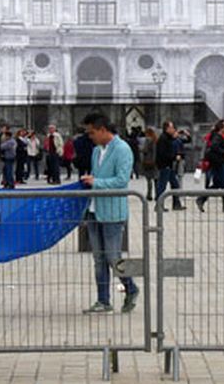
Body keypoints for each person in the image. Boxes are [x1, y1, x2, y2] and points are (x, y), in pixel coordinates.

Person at [80, 112, 139, 314]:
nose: (90, 137)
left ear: (103, 130)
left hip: (113, 212)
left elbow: (122, 180)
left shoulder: (122, 150)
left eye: (92, 132)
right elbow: (97, 176)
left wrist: (96, 182)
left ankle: (131, 287)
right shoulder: (97, 151)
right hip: (95, 210)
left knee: (113, 257)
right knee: (98, 258)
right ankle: (103, 300)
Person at [196, 121, 224, 213]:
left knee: (217, 185)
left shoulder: (219, 136)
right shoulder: (217, 137)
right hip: (219, 163)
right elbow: (214, 146)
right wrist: (223, 153)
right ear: (221, 128)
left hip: (219, 163)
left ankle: (201, 198)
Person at [154, 121, 184, 211]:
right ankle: (159, 205)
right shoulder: (163, 139)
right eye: (172, 128)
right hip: (165, 165)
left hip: (169, 165)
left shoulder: (167, 138)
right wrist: (174, 156)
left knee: (175, 184)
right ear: (167, 129)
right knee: (162, 185)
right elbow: (164, 154)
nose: (174, 130)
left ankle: (176, 203)